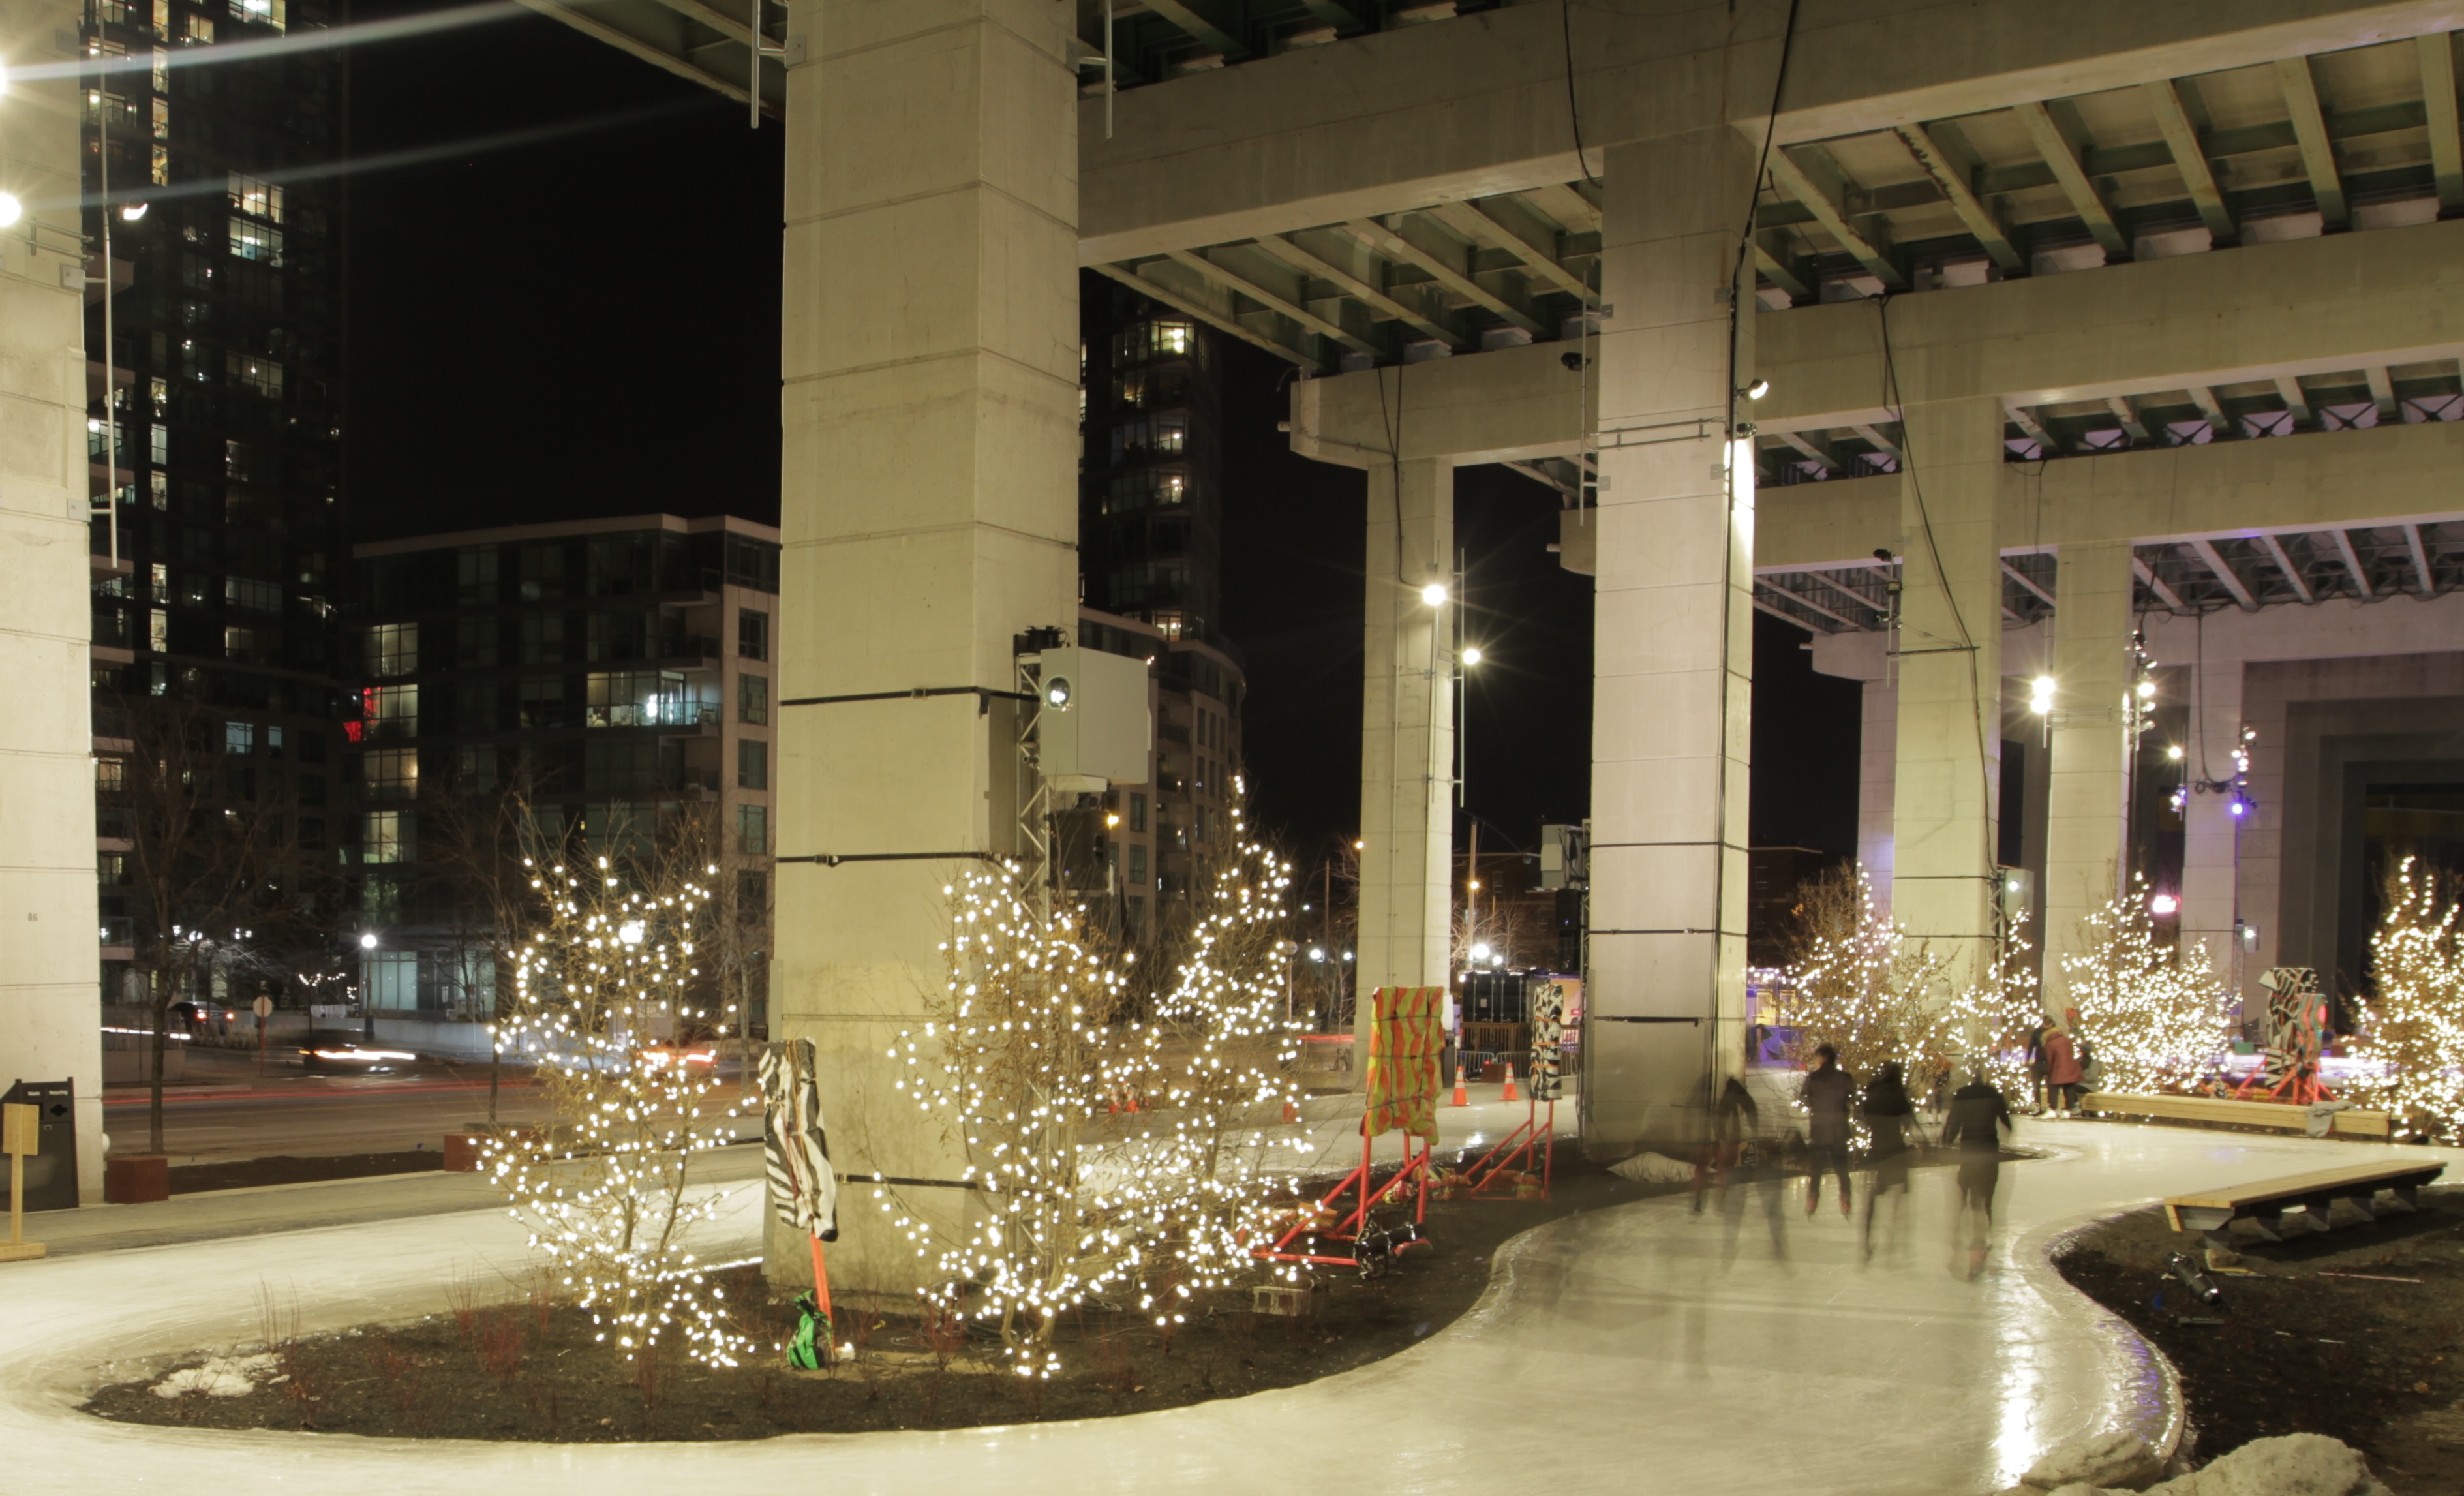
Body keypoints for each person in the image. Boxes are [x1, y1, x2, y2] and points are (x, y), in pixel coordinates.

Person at [1941, 1067, 2015, 1279]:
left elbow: (1954, 1120)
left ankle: (1958, 1248)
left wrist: (1947, 1139)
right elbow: (2006, 1121)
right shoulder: (1994, 1094)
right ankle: (1980, 1246)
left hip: (1969, 1150)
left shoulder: (1962, 1094)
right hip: (1988, 1149)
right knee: (1985, 1200)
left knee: (1964, 1199)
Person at [1859, 1060, 1915, 1263]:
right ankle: (1894, 1243)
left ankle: (1867, 1239)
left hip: (1876, 1150)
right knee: (1899, 1196)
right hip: (1895, 1151)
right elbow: (1909, 1121)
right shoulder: (1897, 1095)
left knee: (1874, 1194)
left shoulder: (1873, 1093)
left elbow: (1863, 1117)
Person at [1800, 1044, 1854, 1216]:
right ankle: (1846, 1199)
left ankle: (1812, 1200)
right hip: (1839, 1130)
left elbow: (1804, 1098)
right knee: (1842, 1169)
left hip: (1819, 1130)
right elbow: (1852, 1098)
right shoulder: (1845, 1078)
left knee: (1816, 1170)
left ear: (1823, 1058)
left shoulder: (1813, 1079)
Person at [2043, 1021, 2084, 1116]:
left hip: (2059, 1068)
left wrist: (2050, 1071)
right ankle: (2068, 1110)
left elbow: (2050, 1060)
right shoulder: (2067, 1040)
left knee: (2053, 1088)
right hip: (2071, 1067)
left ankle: (2052, 1109)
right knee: (2069, 1087)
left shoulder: (2050, 1044)